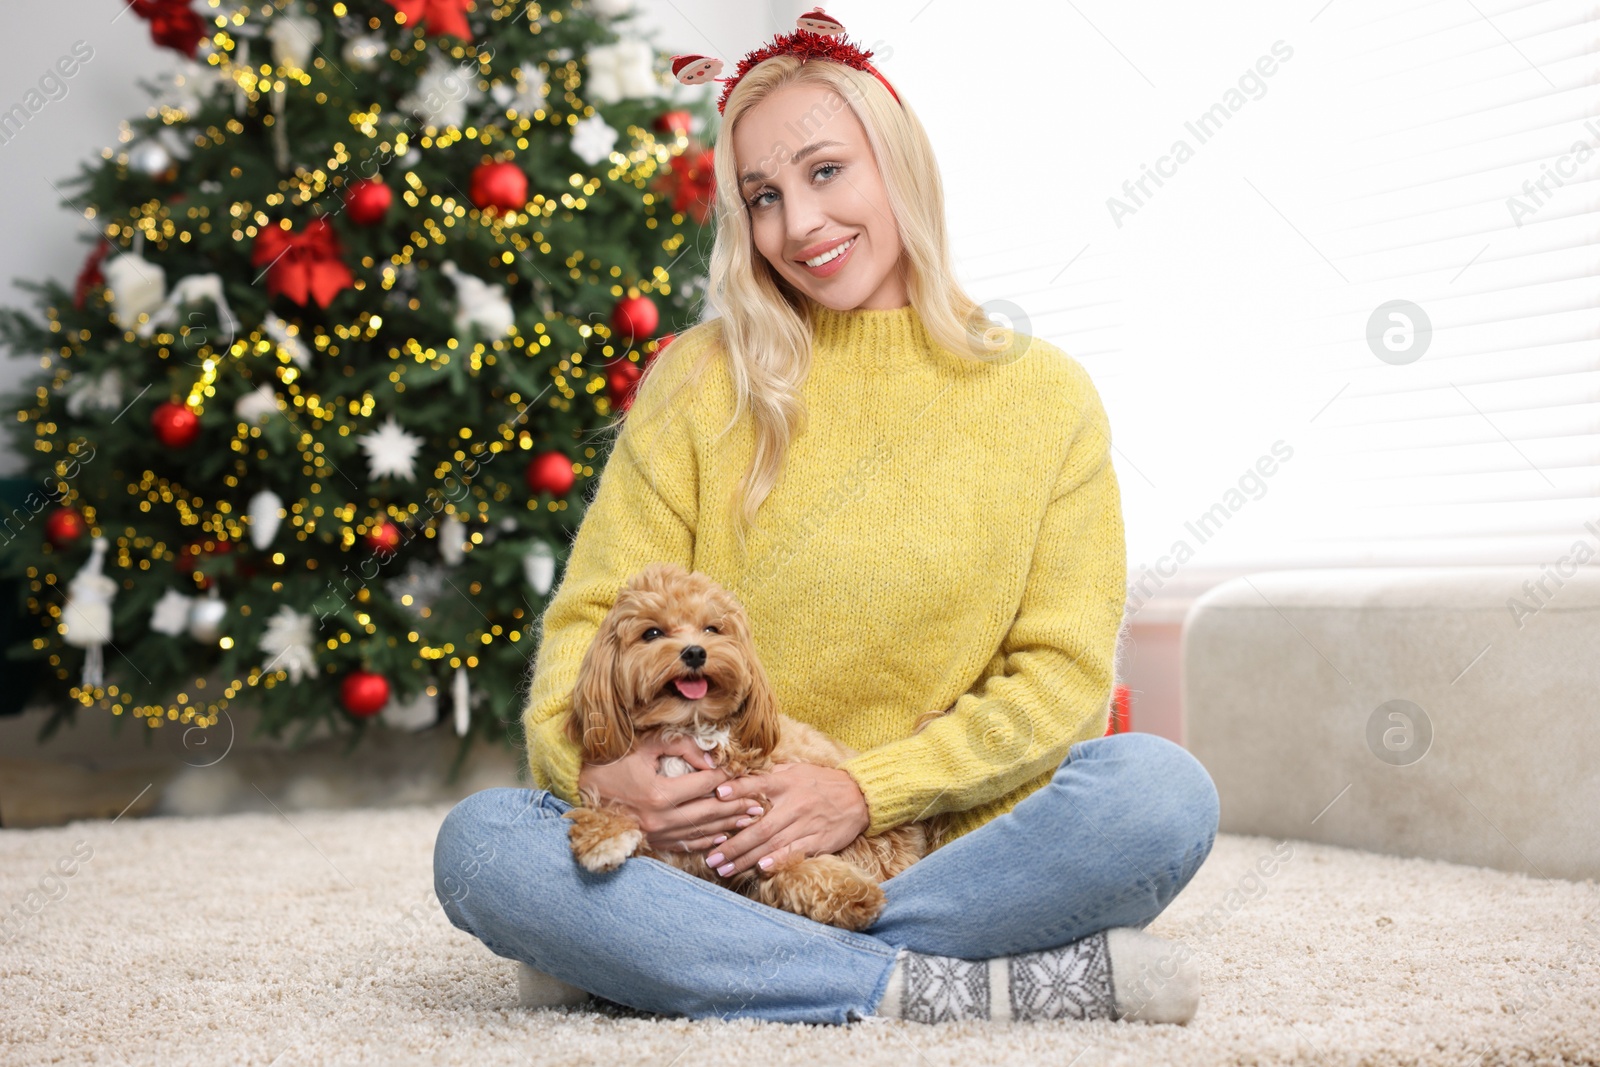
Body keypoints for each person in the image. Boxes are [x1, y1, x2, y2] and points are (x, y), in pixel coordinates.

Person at [434, 16, 1220, 1027]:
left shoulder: (1043, 395)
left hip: (938, 840)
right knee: (484, 846)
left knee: (1160, 792)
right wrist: (602, 773)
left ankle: (688, 961)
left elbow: (1061, 677)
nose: (797, 224)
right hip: (708, 844)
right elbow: (592, 617)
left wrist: (865, 791)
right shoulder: (697, 382)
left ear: (897, 165)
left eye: (825, 171)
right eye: (762, 197)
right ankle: (932, 984)